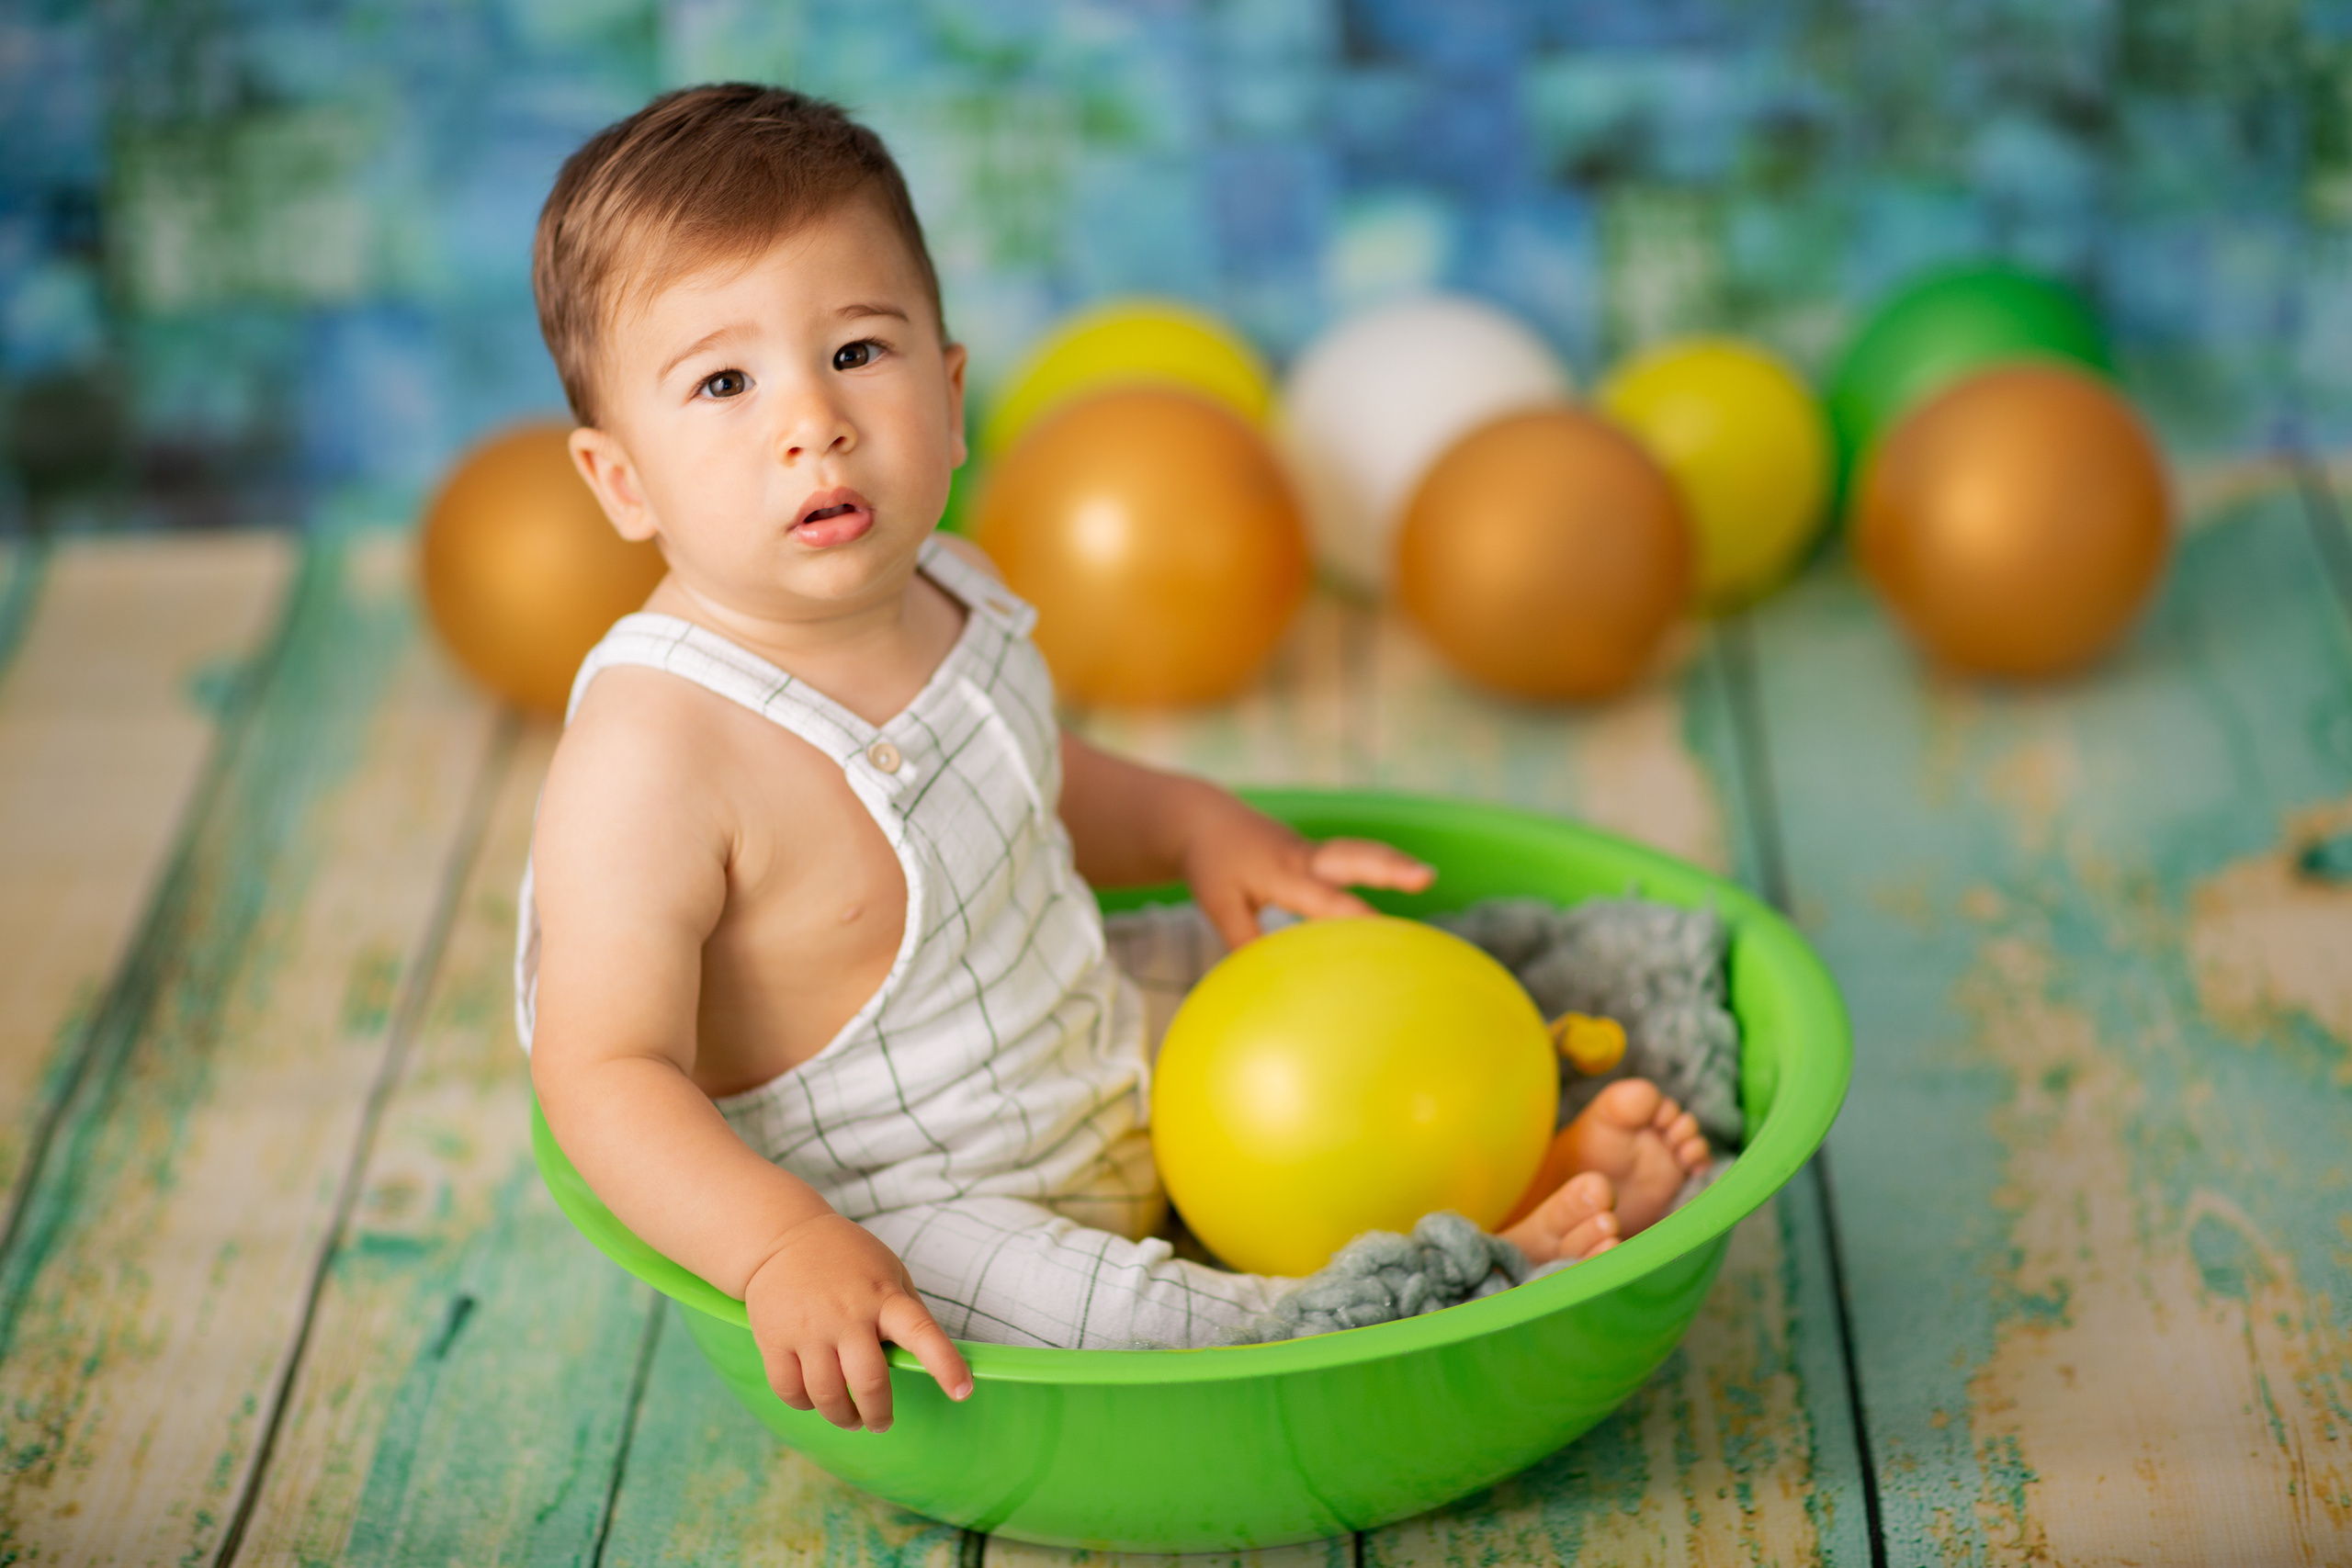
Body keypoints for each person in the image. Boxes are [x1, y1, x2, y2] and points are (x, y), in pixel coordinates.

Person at [517, 83, 1711, 1437]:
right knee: (1142, 1324)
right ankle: (1445, 1293)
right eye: (726, 383)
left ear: (952, 395)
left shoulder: (944, 586)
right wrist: (778, 1248)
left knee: (1331, 974)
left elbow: (1027, 777)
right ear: (620, 482)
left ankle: (1505, 1140)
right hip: (907, 1204)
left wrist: (1201, 828)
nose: (815, 421)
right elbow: (603, 1074)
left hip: (1079, 1027)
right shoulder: (655, 749)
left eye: (856, 352)